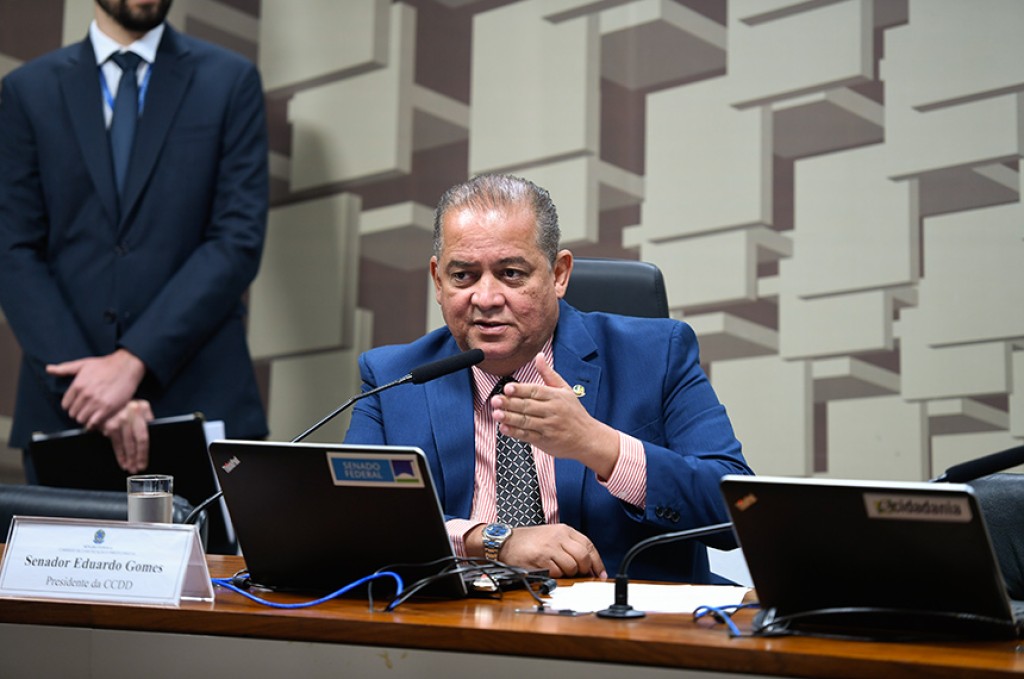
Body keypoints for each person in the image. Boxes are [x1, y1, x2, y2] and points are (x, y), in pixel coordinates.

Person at [344, 174, 752, 583]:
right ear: (438, 280)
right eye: (463, 276)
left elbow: (737, 510)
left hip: (617, 614)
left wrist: (598, 444)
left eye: (511, 273)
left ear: (559, 274)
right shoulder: (393, 378)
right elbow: (353, 517)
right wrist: (491, 540)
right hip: (454, 613)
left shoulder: (656, 354)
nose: (486, 298)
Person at [0, 0, 268, 478]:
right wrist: (90, 385)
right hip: (67, 409)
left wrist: (132, 362)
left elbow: (237, 240)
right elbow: (13, 249)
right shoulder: (28, 90)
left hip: (200, 401)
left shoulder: (229, 80)